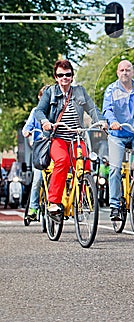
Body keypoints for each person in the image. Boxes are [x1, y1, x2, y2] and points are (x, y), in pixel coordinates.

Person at [35, 59, 102, 220]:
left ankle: (79, 198)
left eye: (68, 74)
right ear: (56, 77)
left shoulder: (80, 91)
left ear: (72, 76)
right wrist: (45, 122)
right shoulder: (51, 92)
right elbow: (39, 111)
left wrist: (101, 121)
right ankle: (54, 203)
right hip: (58, 137)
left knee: (85, 163)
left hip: (77, 138)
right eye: (60, 75)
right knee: (62, 161)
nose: (64, 78)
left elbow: (92, 108)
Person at [102, 60, 134, 220]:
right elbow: (107, 109)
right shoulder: (111, 90)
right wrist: (112, 121)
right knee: (115, 169)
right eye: (122, 70)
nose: (125, 73)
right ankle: (114, 205)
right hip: (117, 135)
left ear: (133, 72)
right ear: (117, 73)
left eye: (128, 70)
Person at [22, 85, 49, 220]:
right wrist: (27, 132)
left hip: (54, 147)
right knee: (37, 179)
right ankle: (33, 208)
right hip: (40, 150)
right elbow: (27, 127)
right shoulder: (35, 111)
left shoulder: (56, 110)